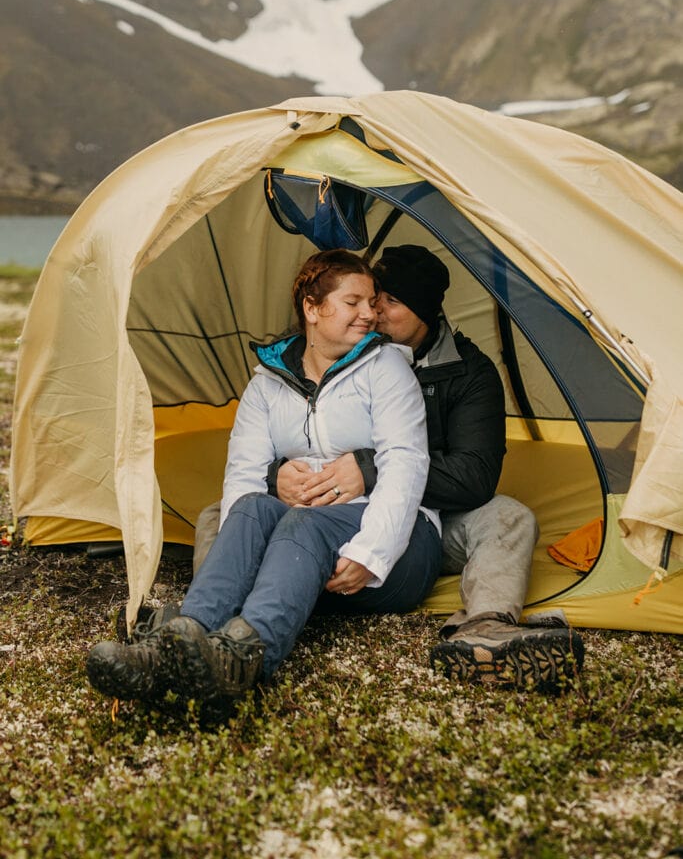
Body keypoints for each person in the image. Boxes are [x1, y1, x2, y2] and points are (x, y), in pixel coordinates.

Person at [86, 249, 441, 712]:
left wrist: (370, 554)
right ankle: (174, 648)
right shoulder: (267, 383)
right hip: (302, 559)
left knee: (302, 523)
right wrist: (253, 532)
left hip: (396, 548)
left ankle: (243, 662)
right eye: (353, 302)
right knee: (251, 506)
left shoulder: (388, 368)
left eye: (372, 302)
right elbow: (244, 473)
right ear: (313, 309)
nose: (369, 313)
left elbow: (406, 466)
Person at [266, 245, 584, 689]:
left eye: (389, 302)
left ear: (426, 312)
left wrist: (373, 470)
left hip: (422, 519)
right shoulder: (332, 350)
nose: (372, 313)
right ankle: (201, 624)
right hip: (329, 507)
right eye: (369, 298)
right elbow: (286, 432)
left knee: (509, 516)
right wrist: (274, 475)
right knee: (224, 512)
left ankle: (485, 629)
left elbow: (474, 478)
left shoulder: (468, 374)